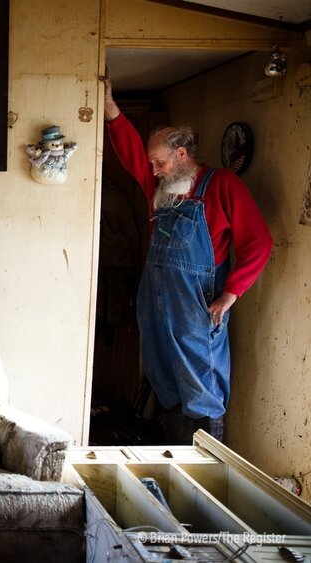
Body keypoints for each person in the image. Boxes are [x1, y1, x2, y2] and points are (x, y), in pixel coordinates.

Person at [102, 77, 273, 444]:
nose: (153, 170)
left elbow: (259, 241)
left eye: (159, 162)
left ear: (181, 155)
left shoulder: (222, 185)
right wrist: (112, 113)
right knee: (165, 380)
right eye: (152, 164)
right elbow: (132, 153)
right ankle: (174, 463)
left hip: (196, 306)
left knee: (201, 386)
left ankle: (204, 474)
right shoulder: (161, 190)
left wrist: (231, 294)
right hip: (157, 303)